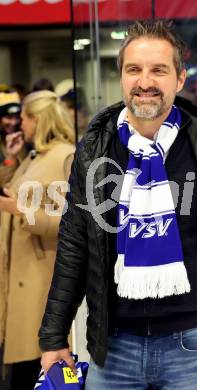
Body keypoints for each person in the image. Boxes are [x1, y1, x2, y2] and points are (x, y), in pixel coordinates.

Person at [39, 20, 197, 389]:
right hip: (114, 342)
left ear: (179, 78)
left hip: (190, 342)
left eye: (159, 69)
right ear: (122, 77)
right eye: (134, 70)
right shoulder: (96, 149)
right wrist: (53, 336)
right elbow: (75, 243)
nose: (145, 82)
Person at [0, 90, 75, 390]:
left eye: (26, 118)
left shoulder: (65, 157)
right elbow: (14, 191)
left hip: (41, 279)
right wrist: (10, 159)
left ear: (37, 120)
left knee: (35, 368)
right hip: (20, 274)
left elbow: (72, 221)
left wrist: (21, 212)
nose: (21, 124)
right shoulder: (34, 156)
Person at [0, 91, 21, 164]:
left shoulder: (24, 139)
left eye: (17, 117)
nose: (14, 122)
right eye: (9, 117)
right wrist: (10, 158)